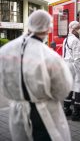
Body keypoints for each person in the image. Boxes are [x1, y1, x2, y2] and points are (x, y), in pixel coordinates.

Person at [0, 10, 73, 141]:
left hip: (17, 112)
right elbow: (63, 89)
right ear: (48, 29)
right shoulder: (50, 56)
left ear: (29, 25)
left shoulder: (4, 51)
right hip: (44, 113)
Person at [62, 21, 80, 121]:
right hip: (74, 66)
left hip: (67, 65)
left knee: (69, 87)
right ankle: (76, 114)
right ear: (73, 30)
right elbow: (78, 59)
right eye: (78, 30)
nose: (79, 32)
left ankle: (66, 110)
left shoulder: (66, 39)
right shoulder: (76, 41)